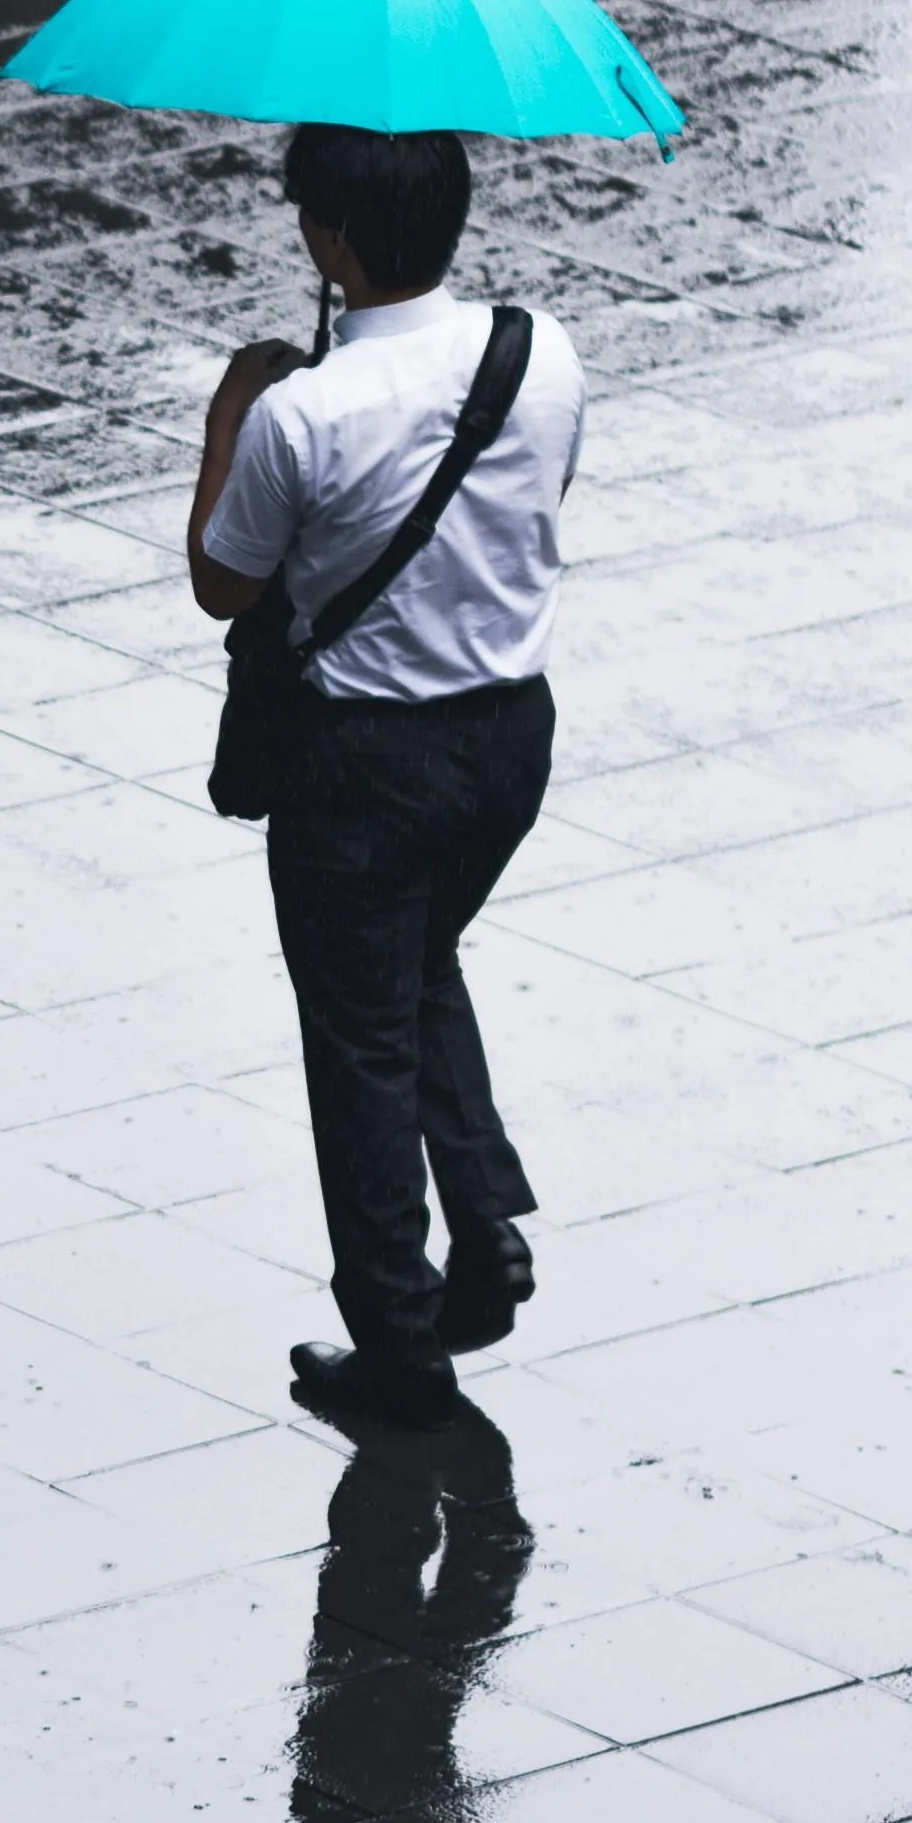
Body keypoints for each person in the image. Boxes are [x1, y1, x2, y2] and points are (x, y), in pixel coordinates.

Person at [190, 122, 585, 1433]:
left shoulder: (300, 415)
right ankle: (484, 1223)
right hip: (507, 741)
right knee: (419, 970)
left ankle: (400, 1345)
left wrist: (231, 414)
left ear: (333, 240)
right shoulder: (540, 355)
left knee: (356, 1041)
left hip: (362, 769)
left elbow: (224, 581)